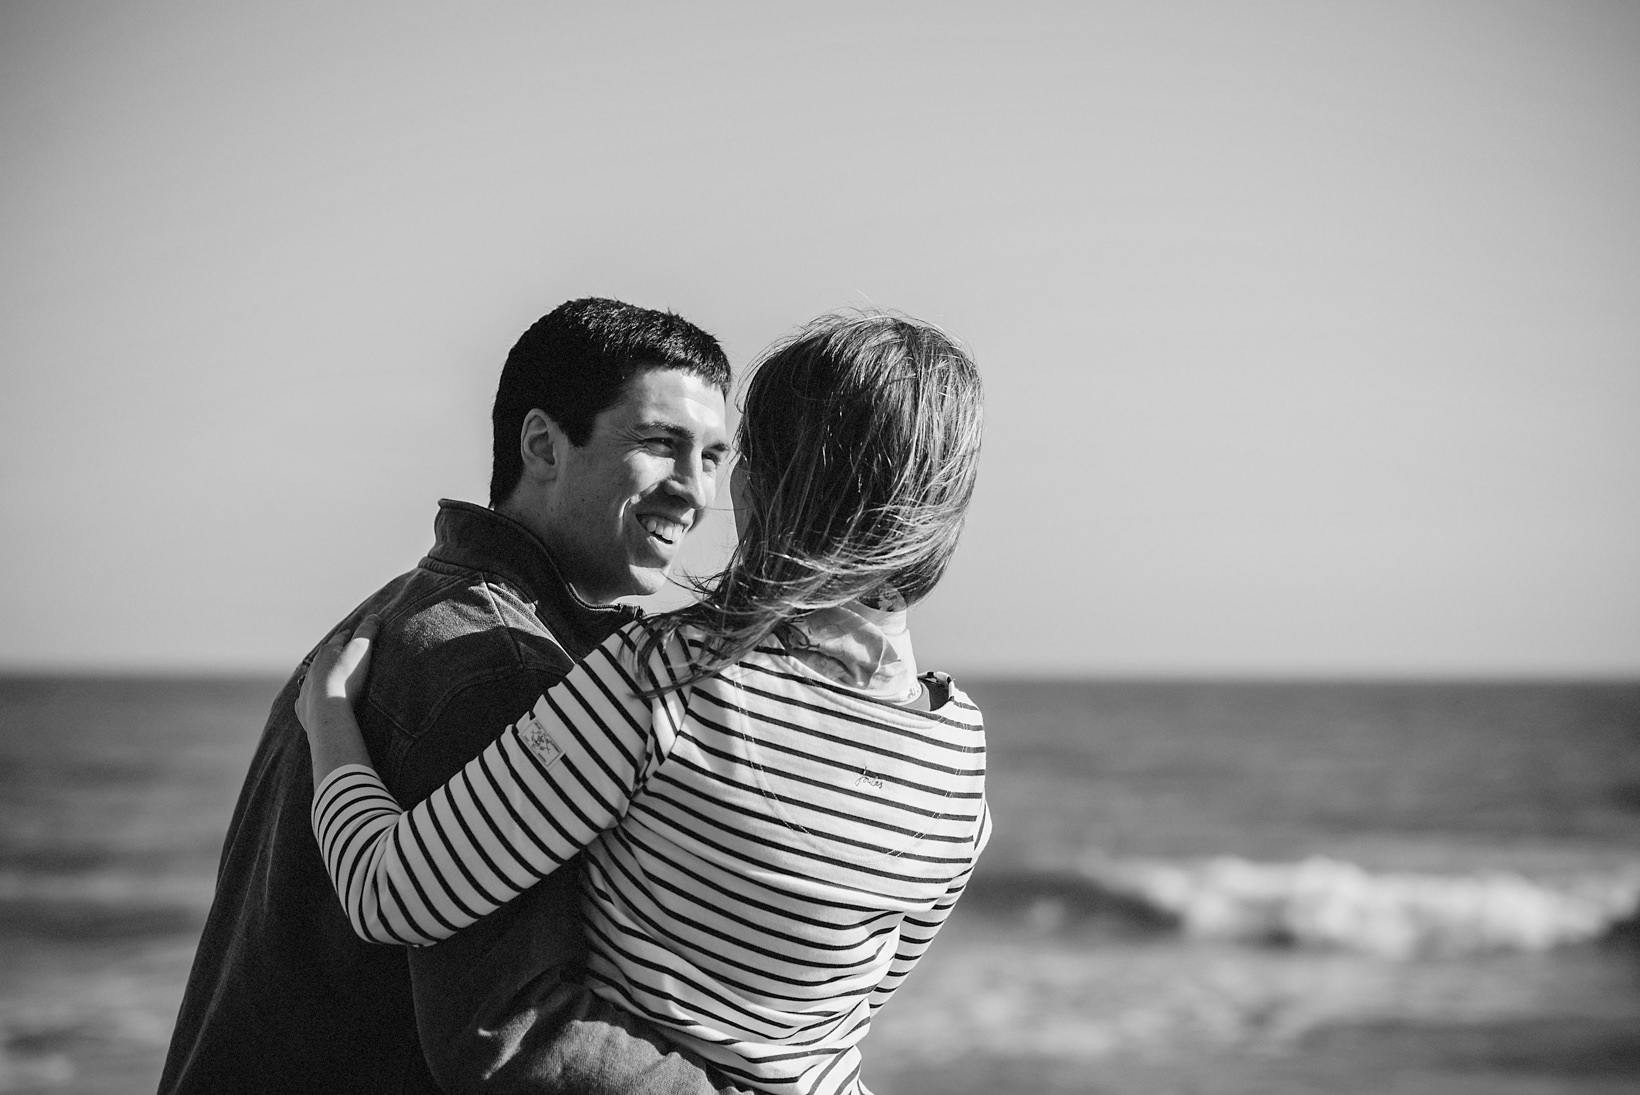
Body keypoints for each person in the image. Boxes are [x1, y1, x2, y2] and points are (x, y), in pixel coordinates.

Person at [297, 311, 990, 1095]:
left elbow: (392, 892)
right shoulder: (960, 756)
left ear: (765, 480)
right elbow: (837, 1012)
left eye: (732, 454)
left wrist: (326, 715)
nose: (704, 486)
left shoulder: (665, 679)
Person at [159, 297, 742, 1095]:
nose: (694, 491)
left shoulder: (403, 611)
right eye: (660, 444)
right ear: (543, 444)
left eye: (713, 457)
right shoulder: (500, 667)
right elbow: (515, 1035)